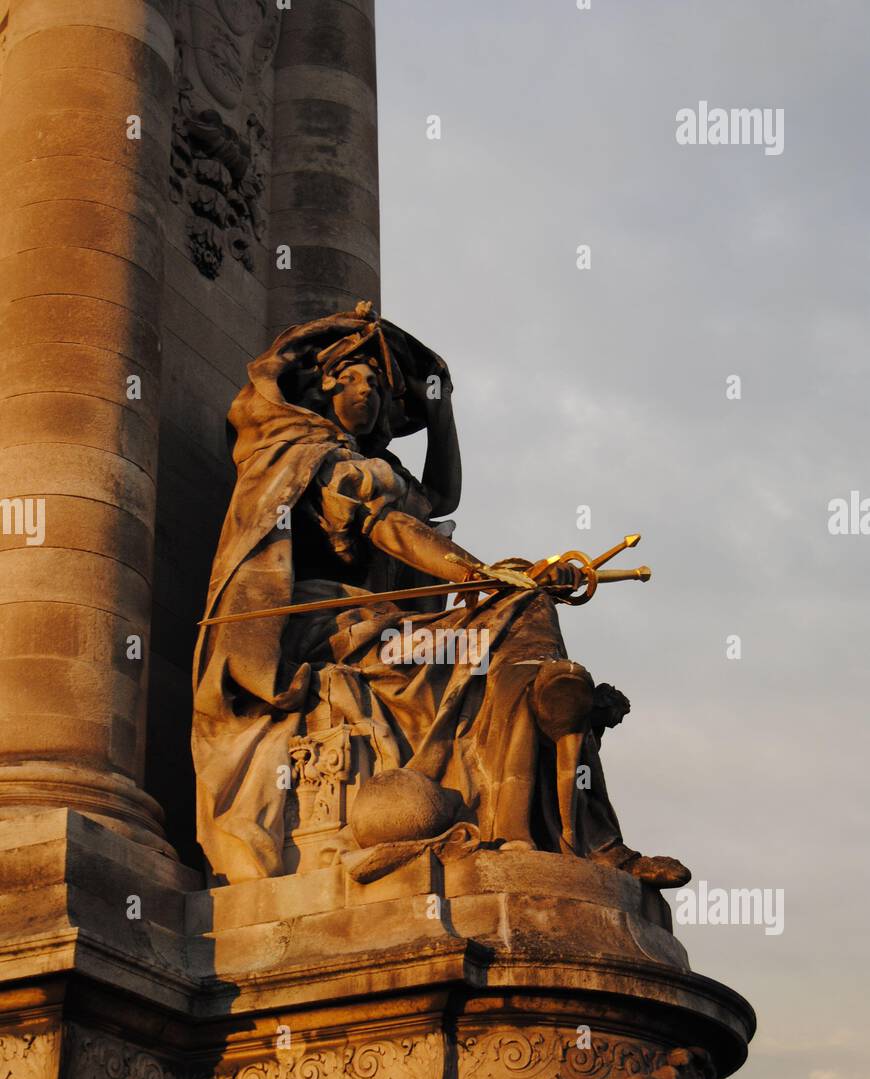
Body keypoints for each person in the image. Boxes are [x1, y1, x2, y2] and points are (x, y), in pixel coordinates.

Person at [193, 302, 690, 888]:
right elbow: (392, 528)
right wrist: (485, 577)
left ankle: (554, 825)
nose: (370, 395)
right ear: (324, 390)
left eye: (378, 386)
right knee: (510, 608)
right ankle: (568, 782)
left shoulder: (372, 465)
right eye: (356, 381)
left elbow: (439, 498)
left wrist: (441, 408)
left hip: (377, 626)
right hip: (323, 628)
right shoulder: (306, 458)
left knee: (515, 627)